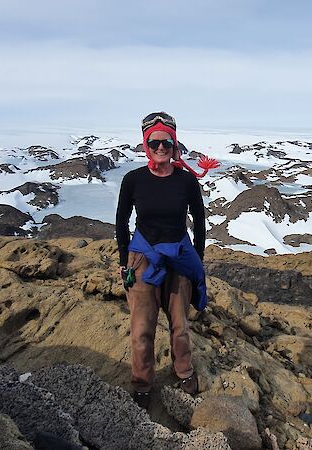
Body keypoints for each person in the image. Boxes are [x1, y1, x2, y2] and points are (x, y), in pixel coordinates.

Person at [115, 112, 219, 409]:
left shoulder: (186, 181)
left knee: (180, 323)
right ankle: (142, 383)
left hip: (178, 257)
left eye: (167, 142)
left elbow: (199, 221)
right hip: (143, 258)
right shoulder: (133, 180)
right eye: (154, 142)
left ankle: (183, 371)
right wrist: (125, 261)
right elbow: (122, 221)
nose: (161, 147)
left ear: (175, 145)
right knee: (142, 327)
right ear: (145, 144)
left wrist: (195, 261)